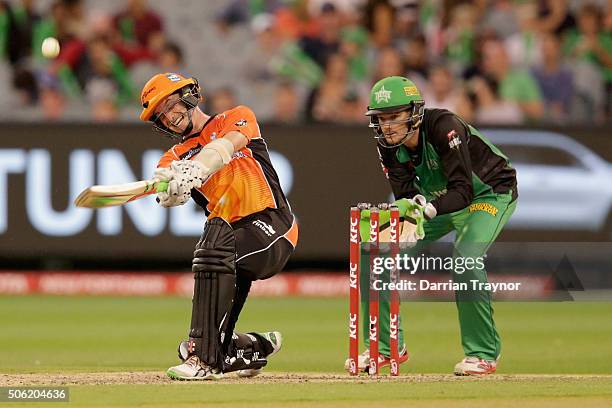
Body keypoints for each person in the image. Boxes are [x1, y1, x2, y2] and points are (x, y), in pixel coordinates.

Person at [351, 76, 518, 375]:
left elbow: (463, 190)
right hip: (436, 201)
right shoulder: (387, 144)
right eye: (380, 119)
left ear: (414, 113)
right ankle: (386, 348)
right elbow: (404, 195)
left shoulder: (444, 126)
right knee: (374, 249)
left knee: (466, 259)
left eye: (394, 117)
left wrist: (423, 211)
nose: (387, 126)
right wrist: (403, 219)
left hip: (488, 194)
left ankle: (482, 354)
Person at [139, 72, 298, 380]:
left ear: (188, 96)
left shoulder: (236, 116)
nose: (168, 119)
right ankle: (247, 348)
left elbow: (231, 142)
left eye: (169, 106)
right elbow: (167, 188)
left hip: (273, 226)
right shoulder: (172, 158)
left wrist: (199, 167)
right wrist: (170, 189)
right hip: (231, 237)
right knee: (214, 243)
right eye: (160, 117)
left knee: (214, 245)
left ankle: (203, 359)